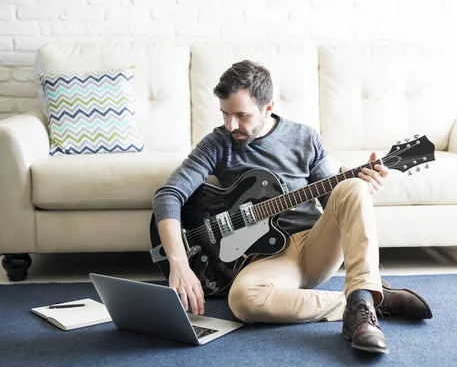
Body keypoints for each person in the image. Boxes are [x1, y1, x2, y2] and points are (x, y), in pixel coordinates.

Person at [152, 60, 432, 355]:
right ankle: (365, 299)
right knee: (242, 301)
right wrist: (179, 262)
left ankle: (362, 306)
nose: (231, 125)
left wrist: (363, 188)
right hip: (268, 260)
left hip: (314, 246)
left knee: (353, 186)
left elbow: (335, 202)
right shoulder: (218, 143)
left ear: (268, 108)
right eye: (225, 114)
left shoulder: (305, 138)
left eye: (241, 115)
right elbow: (168, 195)